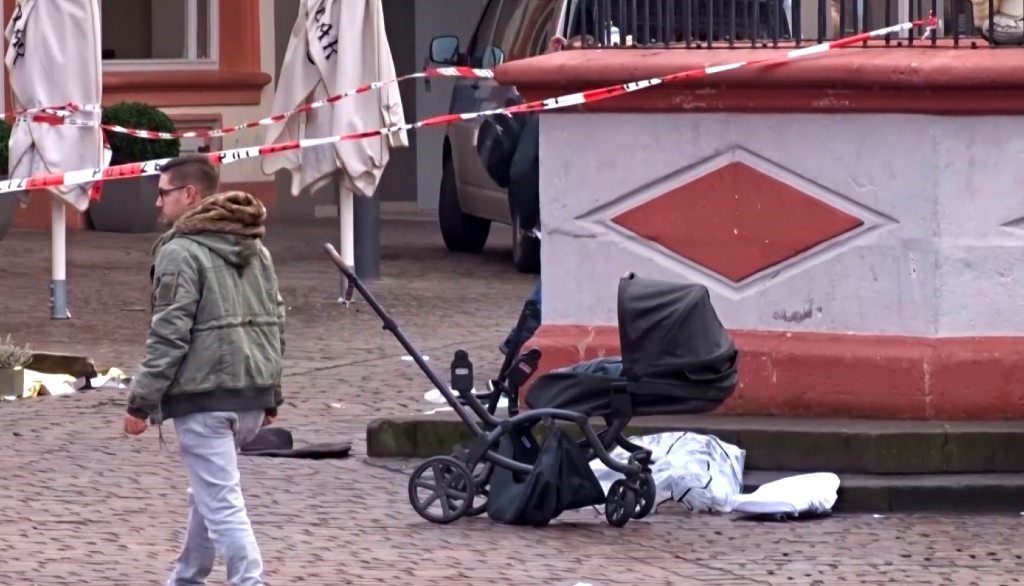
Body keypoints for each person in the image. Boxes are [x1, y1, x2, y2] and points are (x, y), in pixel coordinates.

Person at [122, 154, 286, 586]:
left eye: (163, 193)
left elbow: (169, 334)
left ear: (190, 194)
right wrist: (271, 392)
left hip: (205, 395)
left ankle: (250, 582)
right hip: (249, 391)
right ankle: (187, 578)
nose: (158, 204)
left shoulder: (181, 251)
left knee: (222, 501)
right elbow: (275, 320)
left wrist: (141, 401)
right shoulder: (256, 247)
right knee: (209, 494)